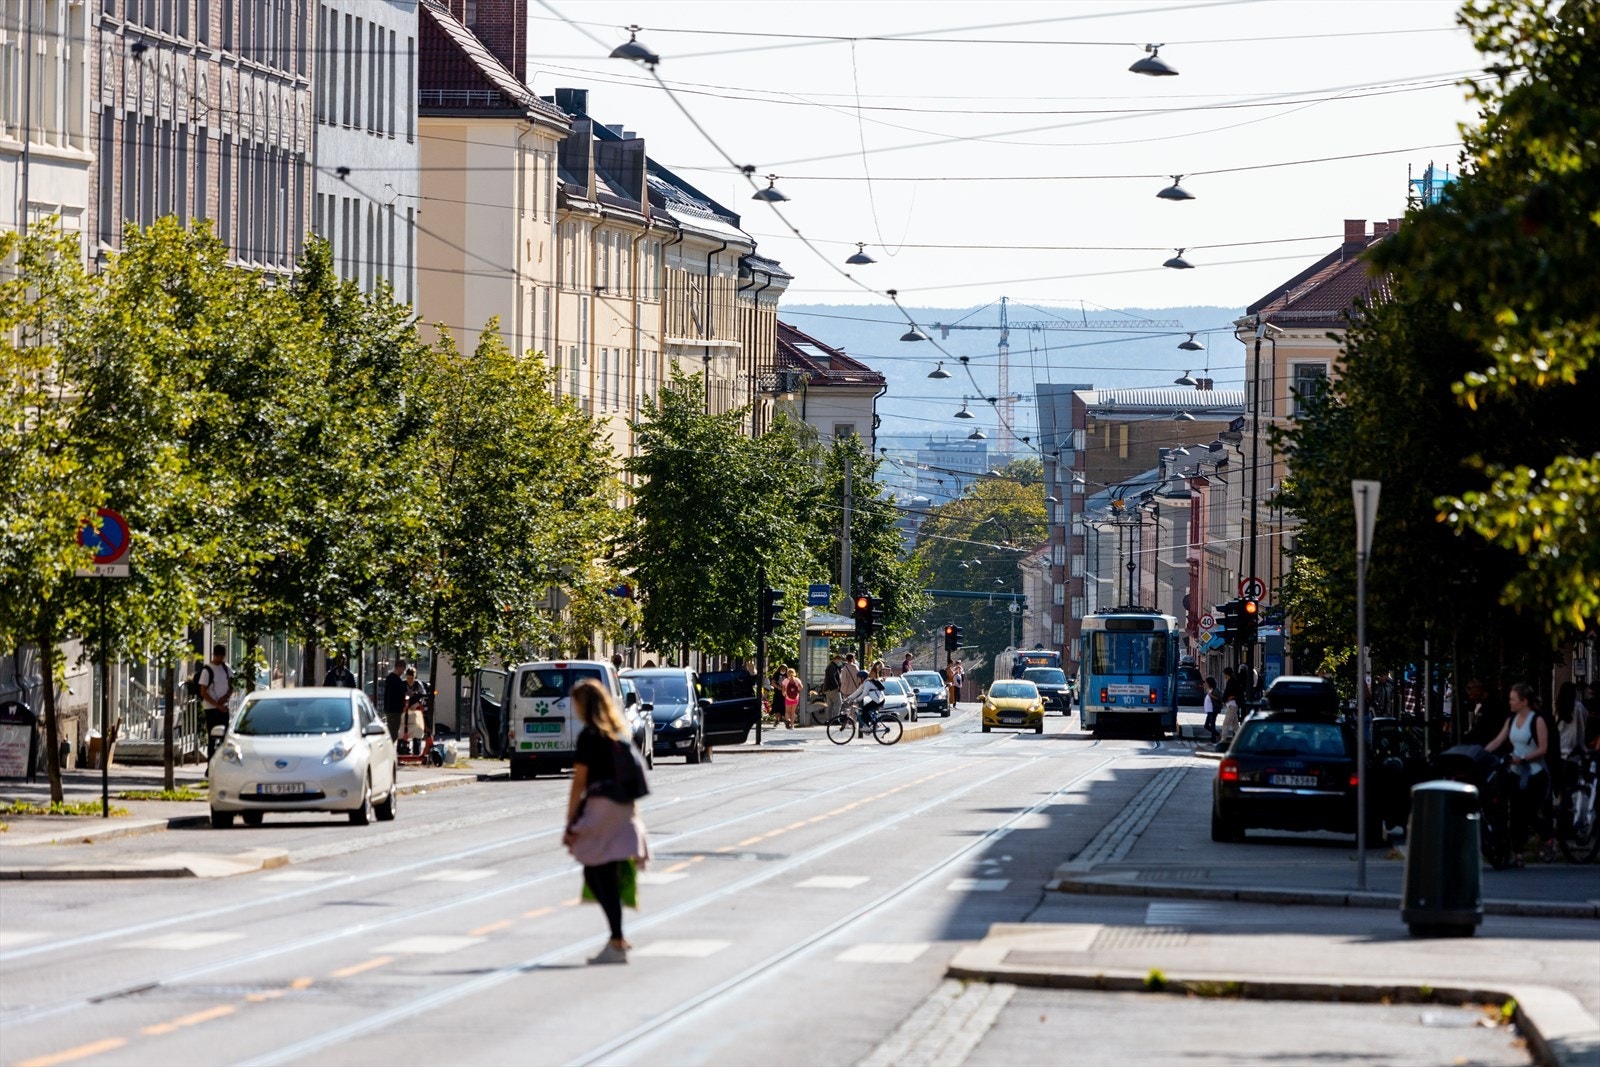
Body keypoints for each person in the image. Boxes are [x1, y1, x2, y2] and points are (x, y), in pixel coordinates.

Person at [563, 679, 650, 965]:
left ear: (584, 705)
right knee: (604, 872)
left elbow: (580, 783)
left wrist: (570, 823)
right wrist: (635, 822)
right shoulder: (618, 734)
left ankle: (616, 940)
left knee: (595, 871)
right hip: (622, 808)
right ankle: (618, 939)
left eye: (575, 703)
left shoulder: (590, 736)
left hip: (601, 807)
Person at [1486, 682, 1555, 865]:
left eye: (1513, 699)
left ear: (1524, 701)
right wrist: (1483, 753)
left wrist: (1524, 759)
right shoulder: (1512, 719)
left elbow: (1543, 748)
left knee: (1528, 814)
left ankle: (1547, 838)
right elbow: (1499, 740)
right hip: (1515, 772)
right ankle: (1518, 854)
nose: (1510, 702)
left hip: (1535, 773)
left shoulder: (1537, 720)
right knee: (1516, 814)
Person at [199, 644, 234, 760]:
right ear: (214, 655)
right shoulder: (207, 670)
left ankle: (223, 763)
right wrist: (216, 705)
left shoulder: (226, 668)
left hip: (223, 708)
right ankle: (210, 765)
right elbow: (203, 692)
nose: (220, 659)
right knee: (212, 738)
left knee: (224, 737)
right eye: (218, 657)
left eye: (222, 657)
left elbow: (231, 686)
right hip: (211, 709)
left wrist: (226, 696)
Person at [845, 665, 887, 733]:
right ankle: (874, 723)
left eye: (859, 678)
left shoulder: (868, 683)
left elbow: (864, 694)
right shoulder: (864, 683)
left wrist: (856, 700)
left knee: (864, 710)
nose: (858, 679)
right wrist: (848, 698)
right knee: (865, 710)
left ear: (862, 678)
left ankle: (869, 726)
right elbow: (857, 691)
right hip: (877, 700)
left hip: (879, 700)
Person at [1462, 678, 1503, 746]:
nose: (1471, 698)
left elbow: (1482, 728)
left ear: (1477, 689)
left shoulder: (1491, 705)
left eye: (1471, 695)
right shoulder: (1483, 705)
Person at [401, 666, 428, 755]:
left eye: (412, 678)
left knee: (417, 728)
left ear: (415, 677)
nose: (410, 680)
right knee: (403, 728)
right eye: (408, 678)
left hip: (416, 709)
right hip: (405, 709)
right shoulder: (403, 684)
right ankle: (402, 746)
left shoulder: (418, 684)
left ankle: (417, 749)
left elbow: (423, 695)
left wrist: (417, 704)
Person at [383, 658, 408, 741]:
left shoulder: (389, 678)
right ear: (400, 667)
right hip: (395, 710)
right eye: (403, 669)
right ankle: (388, 751)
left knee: (391, 730)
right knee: (393, 733)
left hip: (389, 709)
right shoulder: (397, 680)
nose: (403, 672)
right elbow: (398, 696)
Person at [1220, 666, 1242, 747]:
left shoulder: (1231, 682)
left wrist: (1229, 698)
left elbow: (1233, 693)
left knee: (1226, 723)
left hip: (1232, 705)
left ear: (1226, 674)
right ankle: (1241, 738)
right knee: (1235, 725)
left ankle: (1223, 739)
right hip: (1232, 704)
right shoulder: (1232, 681)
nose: (1224, 676)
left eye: (1224, 674)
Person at [823, 652, 844, 725]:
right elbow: (833, 677)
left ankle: (829, 720)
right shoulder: (834, 667)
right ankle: (836, 719)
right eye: (840, 660)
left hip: (827, 689)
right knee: (838, 703)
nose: (841, 662)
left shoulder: (829, 666)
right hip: (833, 689)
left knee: (830, 705)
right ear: (837, 659)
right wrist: (837, 686)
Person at [1202, 675, 1221, 744]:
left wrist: (1211, 696)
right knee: (1207, 726)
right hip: (1209, 710)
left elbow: (1220, 699)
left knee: (1211, 725)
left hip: (1213, 710)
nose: (1205, 684)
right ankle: (1216, 736)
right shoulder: (1209, 690)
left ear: (1209, 683)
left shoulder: (1215, 690)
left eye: (1206, 682)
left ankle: (1214, 739)